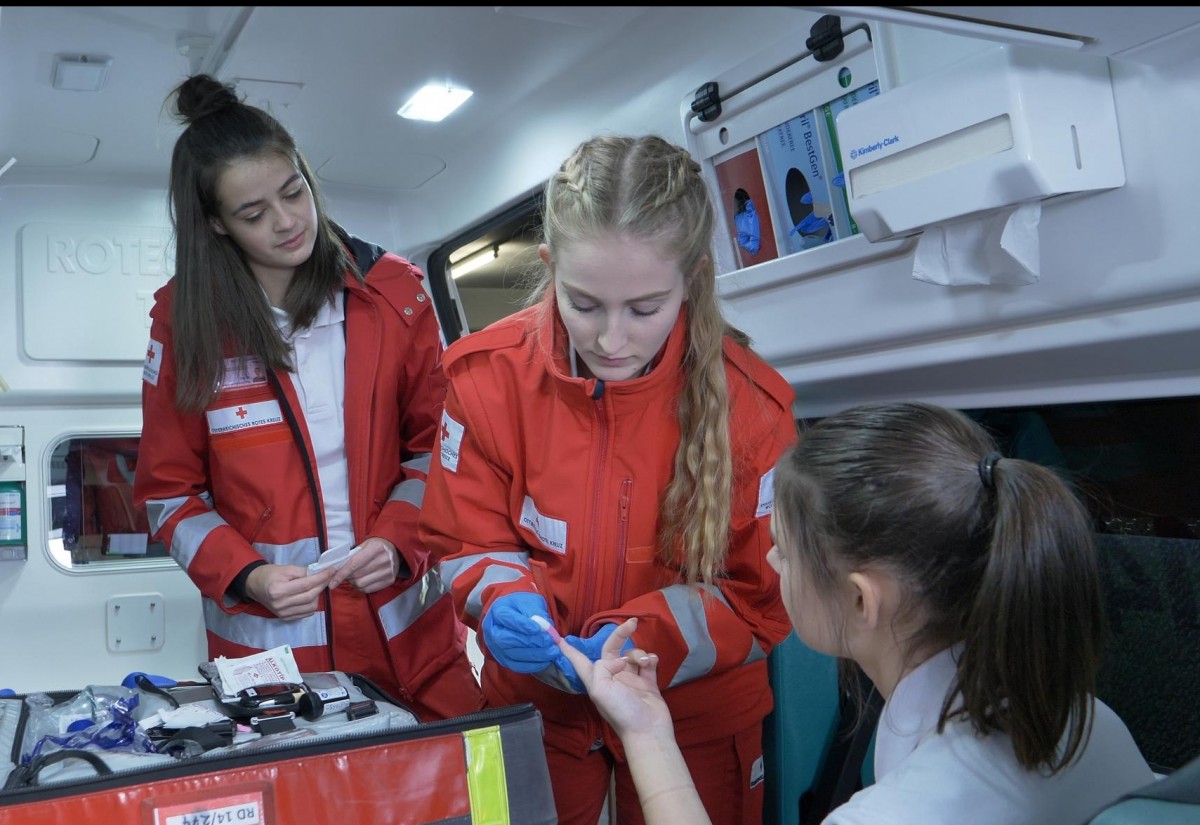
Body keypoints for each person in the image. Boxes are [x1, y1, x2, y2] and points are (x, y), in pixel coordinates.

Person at [417, 133, 798, 825]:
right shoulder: (485, 381)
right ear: (548, 267)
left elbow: (762, 597)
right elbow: (465, 541)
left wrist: (637, 638)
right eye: (584, 303)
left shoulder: (756, 411)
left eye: (645, 309)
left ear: (696, 279)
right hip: (536, 718)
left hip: (698, 732)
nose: (611, 340)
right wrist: (504, 604)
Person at [559, 401, 1157, 825]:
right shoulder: (1082, 716)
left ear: (860, 600)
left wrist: (642, 734)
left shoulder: (897, 813)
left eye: (786, 551)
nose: (768, 556)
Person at [132, 74, 483, 722]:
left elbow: (439, 447)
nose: (287, 221)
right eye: (253, 213)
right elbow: (166, 494)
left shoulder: (395, 293)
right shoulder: (184, 326)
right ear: (215, 223)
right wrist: (249, 575)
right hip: (276, 667)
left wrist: (400, 539)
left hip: (413, 648)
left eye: (293, 191)